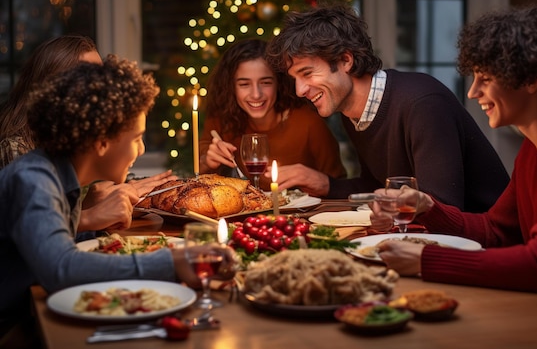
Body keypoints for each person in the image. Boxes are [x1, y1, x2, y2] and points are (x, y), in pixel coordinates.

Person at [370, 4, 537, 327]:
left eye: (486, 78)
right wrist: (428, 207)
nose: (473, 92)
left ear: (531, 78)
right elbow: (495, 230)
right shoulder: (533, 149)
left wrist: (424, 260)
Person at [0, 55, 228, 347]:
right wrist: (171, 261)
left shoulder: (56, 175)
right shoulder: (34, 180)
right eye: (137, 138)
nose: (142, 149)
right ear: (102, 141)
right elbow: (61, 269)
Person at [265, 2, 509, 211]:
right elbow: (377, 186)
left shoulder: (421, 104)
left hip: (485, 246)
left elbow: (441, 208)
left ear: (345, 60)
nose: (299, 90)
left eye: (307, 73)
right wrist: (325, 184)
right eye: (295, 78)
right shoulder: (354, 113)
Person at [0, 35, 176, 233]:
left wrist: (120, 202)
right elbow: (34, 233)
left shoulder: (85, 140)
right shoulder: (19, 152)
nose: (101, 88)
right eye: (88, 77)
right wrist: (89, 211)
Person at [199, 38, 346, 191]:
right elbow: (200, 181)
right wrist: (208, 162)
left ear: (279, 83)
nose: (256, 94)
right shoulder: (222, 120)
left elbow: (338, 186)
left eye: (266, 82)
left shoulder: (308, 123)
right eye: (244, 84)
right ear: (231, 87)